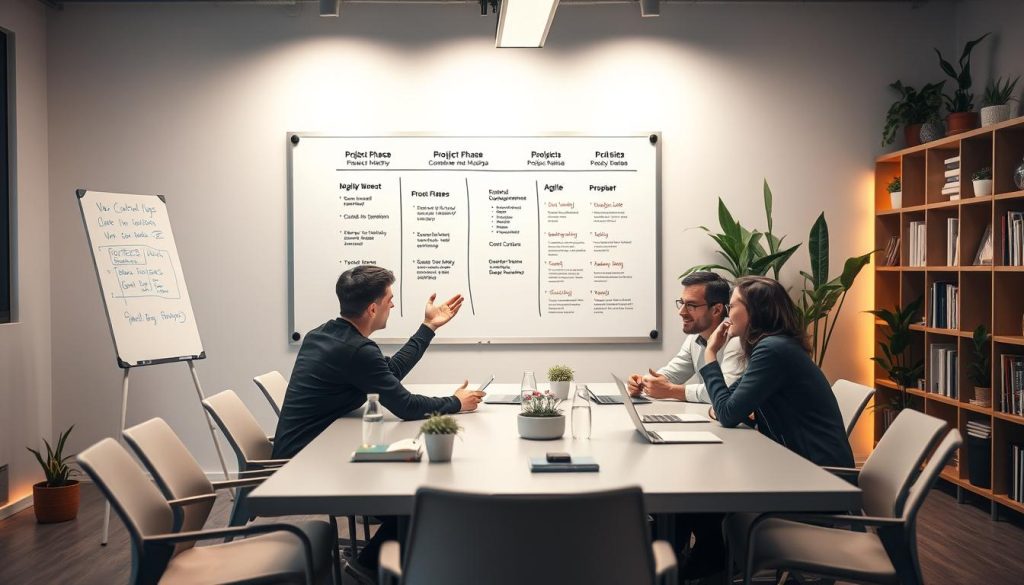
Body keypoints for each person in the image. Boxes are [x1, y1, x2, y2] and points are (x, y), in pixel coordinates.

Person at [272, 265, 484, 584]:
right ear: (373, 308)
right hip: (308, 461)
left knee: (409, 487)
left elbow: (388, 373)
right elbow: (405, 405)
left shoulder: (326, 334)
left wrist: (428, 326)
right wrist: (456, 403)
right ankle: (370, 567)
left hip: (312, 448)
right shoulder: (355, 349)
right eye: (390, 299)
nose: (393, 305)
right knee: (417, 497)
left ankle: (374, 562)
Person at [701, 275, 854, 468]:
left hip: (821, 474)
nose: (727, 315)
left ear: (755, 311)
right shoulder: (774, 346)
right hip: (800, 463)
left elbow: (726, 413)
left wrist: (710, 352)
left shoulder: (773, 350)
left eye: (731, 307)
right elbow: (729, 405)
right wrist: (726, 409)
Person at [627, 271, 745, 403]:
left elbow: (726, 393)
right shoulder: (694, 338)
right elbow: (671, 375)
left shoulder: (737, 340)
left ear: (716, 310)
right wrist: (643, 383)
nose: (681, 312)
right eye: (682, 303)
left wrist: (671, 391)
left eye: (691, 305)